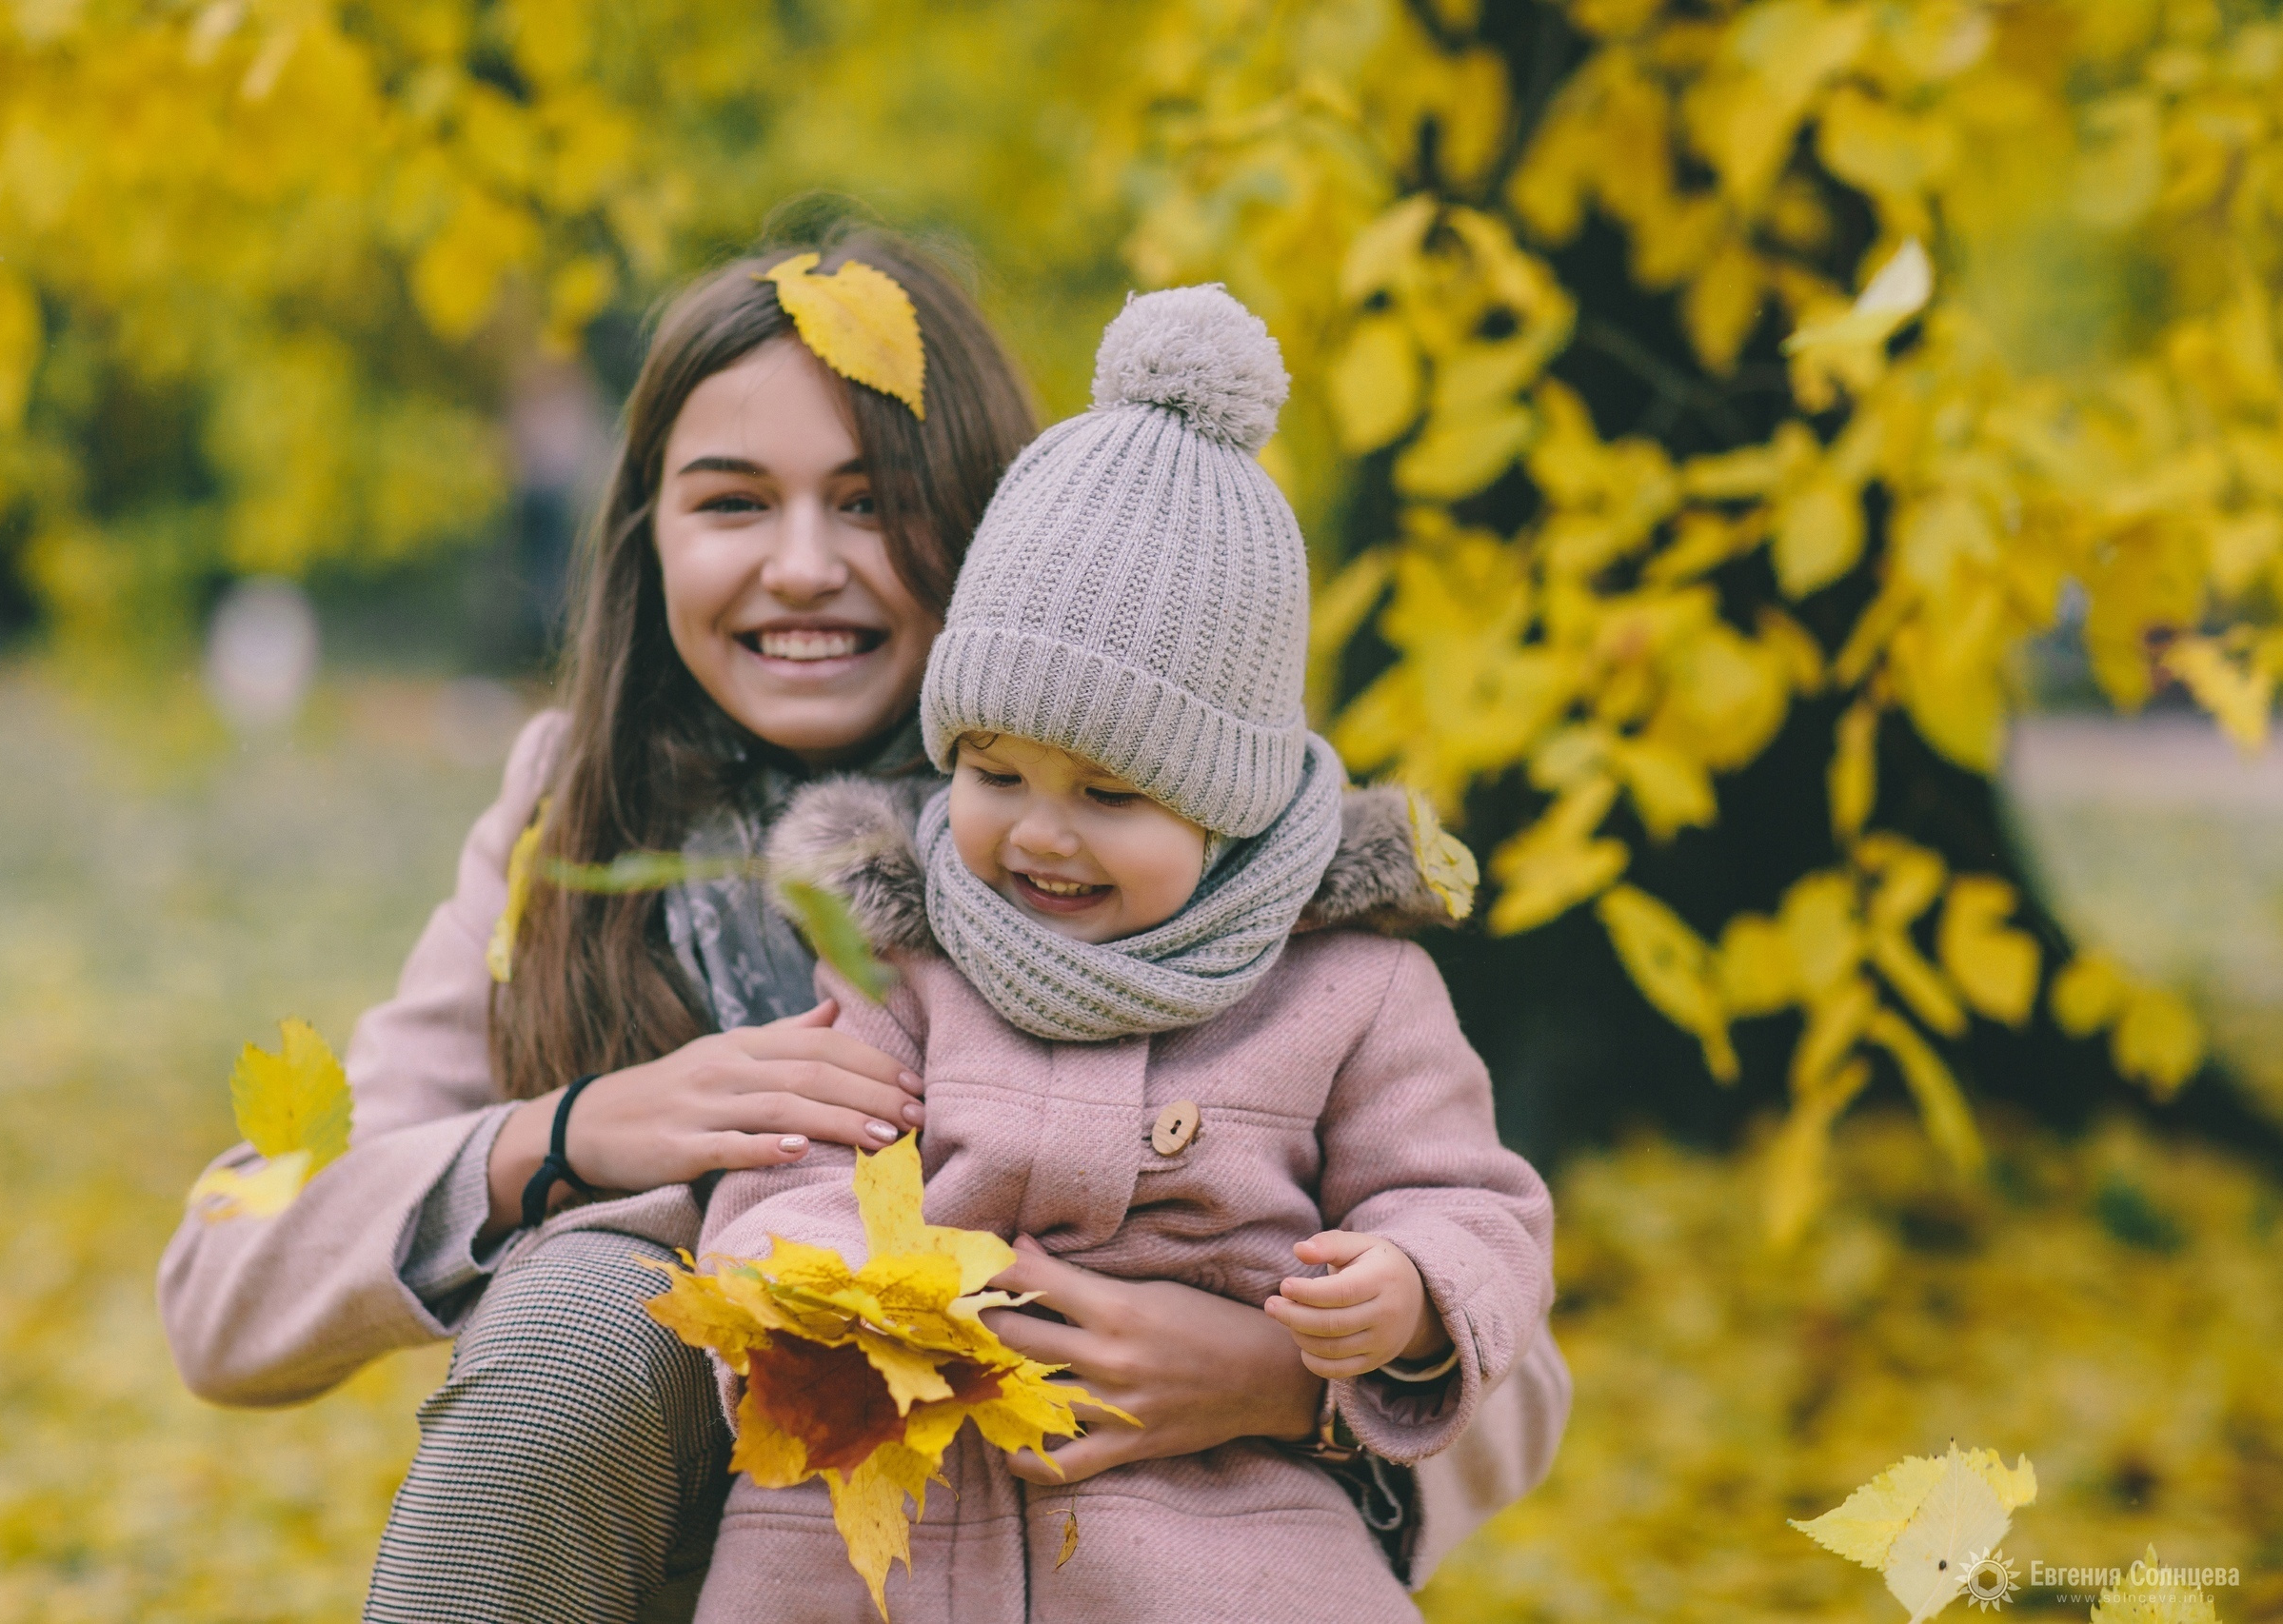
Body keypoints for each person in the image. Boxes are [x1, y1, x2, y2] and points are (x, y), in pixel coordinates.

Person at [156, 230, 1565, 1623]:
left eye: (869, 502)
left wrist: (1278, 1373)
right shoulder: (574, 817)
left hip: (1134, 1551)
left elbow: (1505, 1336)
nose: (802, 566)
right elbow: (224, 1282)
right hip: (738, 1566)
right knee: (592, 1307)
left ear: (983, 517)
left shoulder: (1176, 850)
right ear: (651, 536)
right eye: (732, 504)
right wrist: (569, 1134)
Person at [685, 286, 1558, 1623]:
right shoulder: (904, 959)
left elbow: (1470, 1197)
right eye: (993, 771)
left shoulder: (1350, 986)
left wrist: (1413, 1292)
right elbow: (800, 1162)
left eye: (1110, 795)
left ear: (1228, 804)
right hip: (890, 1532)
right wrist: (814, 1283)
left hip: (1216, 1535)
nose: (1042, 834)